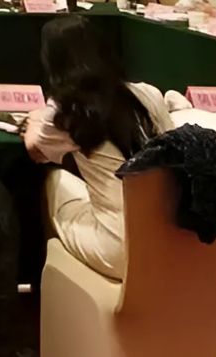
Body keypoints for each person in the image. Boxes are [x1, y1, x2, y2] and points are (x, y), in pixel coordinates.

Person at [22, 14, 174, 280]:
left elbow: (35, 150)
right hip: (168, 236)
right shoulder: (147, 93)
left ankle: (38, 280)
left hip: (117, 248)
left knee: (52, 179)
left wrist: (34, 118)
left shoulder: (66, 110)